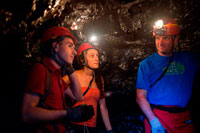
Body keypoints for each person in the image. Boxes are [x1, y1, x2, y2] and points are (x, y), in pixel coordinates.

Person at [21, 26, 94, 133]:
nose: (74, 52)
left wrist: (71, 71)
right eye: (70, 46)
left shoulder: (56, 76)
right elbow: (27, 113)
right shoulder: (40, 70)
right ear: (55, 46)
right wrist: (67, 113)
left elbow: (78, 96)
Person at [136, 18, 200, 133]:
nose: (160, 43)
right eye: (157, 38)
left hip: (183, 117)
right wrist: (153, 122)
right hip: (159, 116)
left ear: (176, 40)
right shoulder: (147, 64)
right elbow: (140, 97)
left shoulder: (188, 59)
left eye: (165, 38)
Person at [63, 43, 113, 133]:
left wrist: (109, 130)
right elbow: (56, 85)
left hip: (92, 127)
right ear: (82, 59)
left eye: (97, 56)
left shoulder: (99, 78)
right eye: (92, 56)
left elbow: (103, 106)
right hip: (75, 126)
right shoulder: (74, 76)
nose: (96, 59)